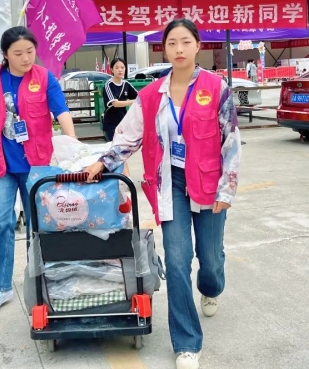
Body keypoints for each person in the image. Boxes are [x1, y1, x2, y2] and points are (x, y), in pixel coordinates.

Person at [84, 19, 241, 369]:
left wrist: (227, 188)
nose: (179, 49)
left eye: (185, 42)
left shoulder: (217, 88)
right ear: (164, 48)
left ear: (198, 45)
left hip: (209, 183)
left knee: (210, 259)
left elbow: (231, 141)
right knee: (176, 259)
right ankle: (186, 343)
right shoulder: (151, 95)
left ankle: (211, 288)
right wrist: (102, 162)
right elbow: (128, 136)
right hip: (170, 183)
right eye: (172, 43)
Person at [0, 26, 75, 310]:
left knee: (39, 225)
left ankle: (41, 282)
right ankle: (0, 287)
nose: (26, 58)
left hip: (35, 164)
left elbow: (62, 112)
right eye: (18, 53)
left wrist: (73, 147)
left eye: (30, 51)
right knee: (0, 222)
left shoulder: (44, 78)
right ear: (5, 54)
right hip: (0, 164)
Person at [101, 57, 138, 142]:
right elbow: (115, 103)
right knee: (112, 146)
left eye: (122, 67)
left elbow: (139, 96)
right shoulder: (109, 84)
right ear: (112, 70)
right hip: (111, 124)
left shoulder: (126, 84)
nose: (120, 70)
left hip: (123, 122)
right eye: (117, 68)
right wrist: (132, 102)